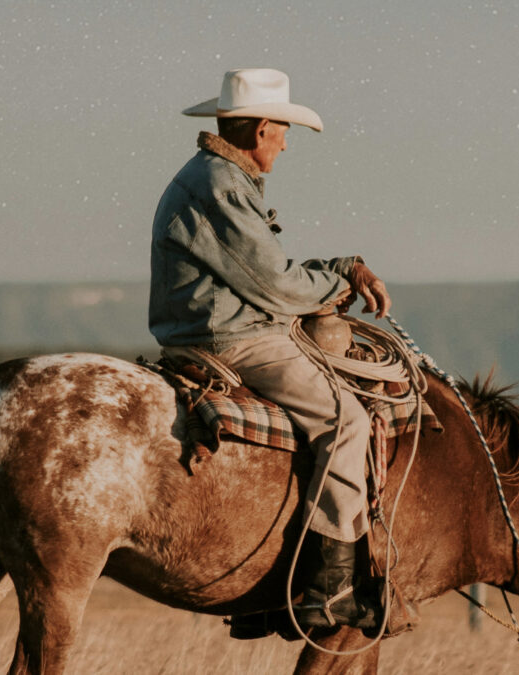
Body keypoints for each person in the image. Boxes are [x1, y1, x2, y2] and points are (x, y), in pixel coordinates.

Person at [148, 68, 392, 630]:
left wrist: (339, 268)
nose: (285, 142)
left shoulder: (213, 178)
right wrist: (339, 285)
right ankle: (328, 589)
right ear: (261, 129)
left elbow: (265, 270)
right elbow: (276, 286)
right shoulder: (221, 184)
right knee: (347, 423)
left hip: (218, 329)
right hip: (234, 338)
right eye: (283, 130)